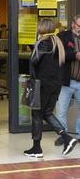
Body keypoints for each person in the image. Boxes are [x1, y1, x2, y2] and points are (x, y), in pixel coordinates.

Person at [24, 19, 77, 159]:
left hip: (43, 84)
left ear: (42, 28)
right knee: (47, 113)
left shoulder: (43, 43)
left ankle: (37, 148)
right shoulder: (57, 42)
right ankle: (66, 138)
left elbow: (34, 61)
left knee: (36, 114)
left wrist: (35, 45)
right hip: (55, 84)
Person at [55, 15, 80, 146]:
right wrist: (75, 55)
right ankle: (63, 136)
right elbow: (60, 54)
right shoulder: (62, 36)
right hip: (67, 80)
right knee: (61, 109)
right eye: (79, 25)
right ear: (73, 24)